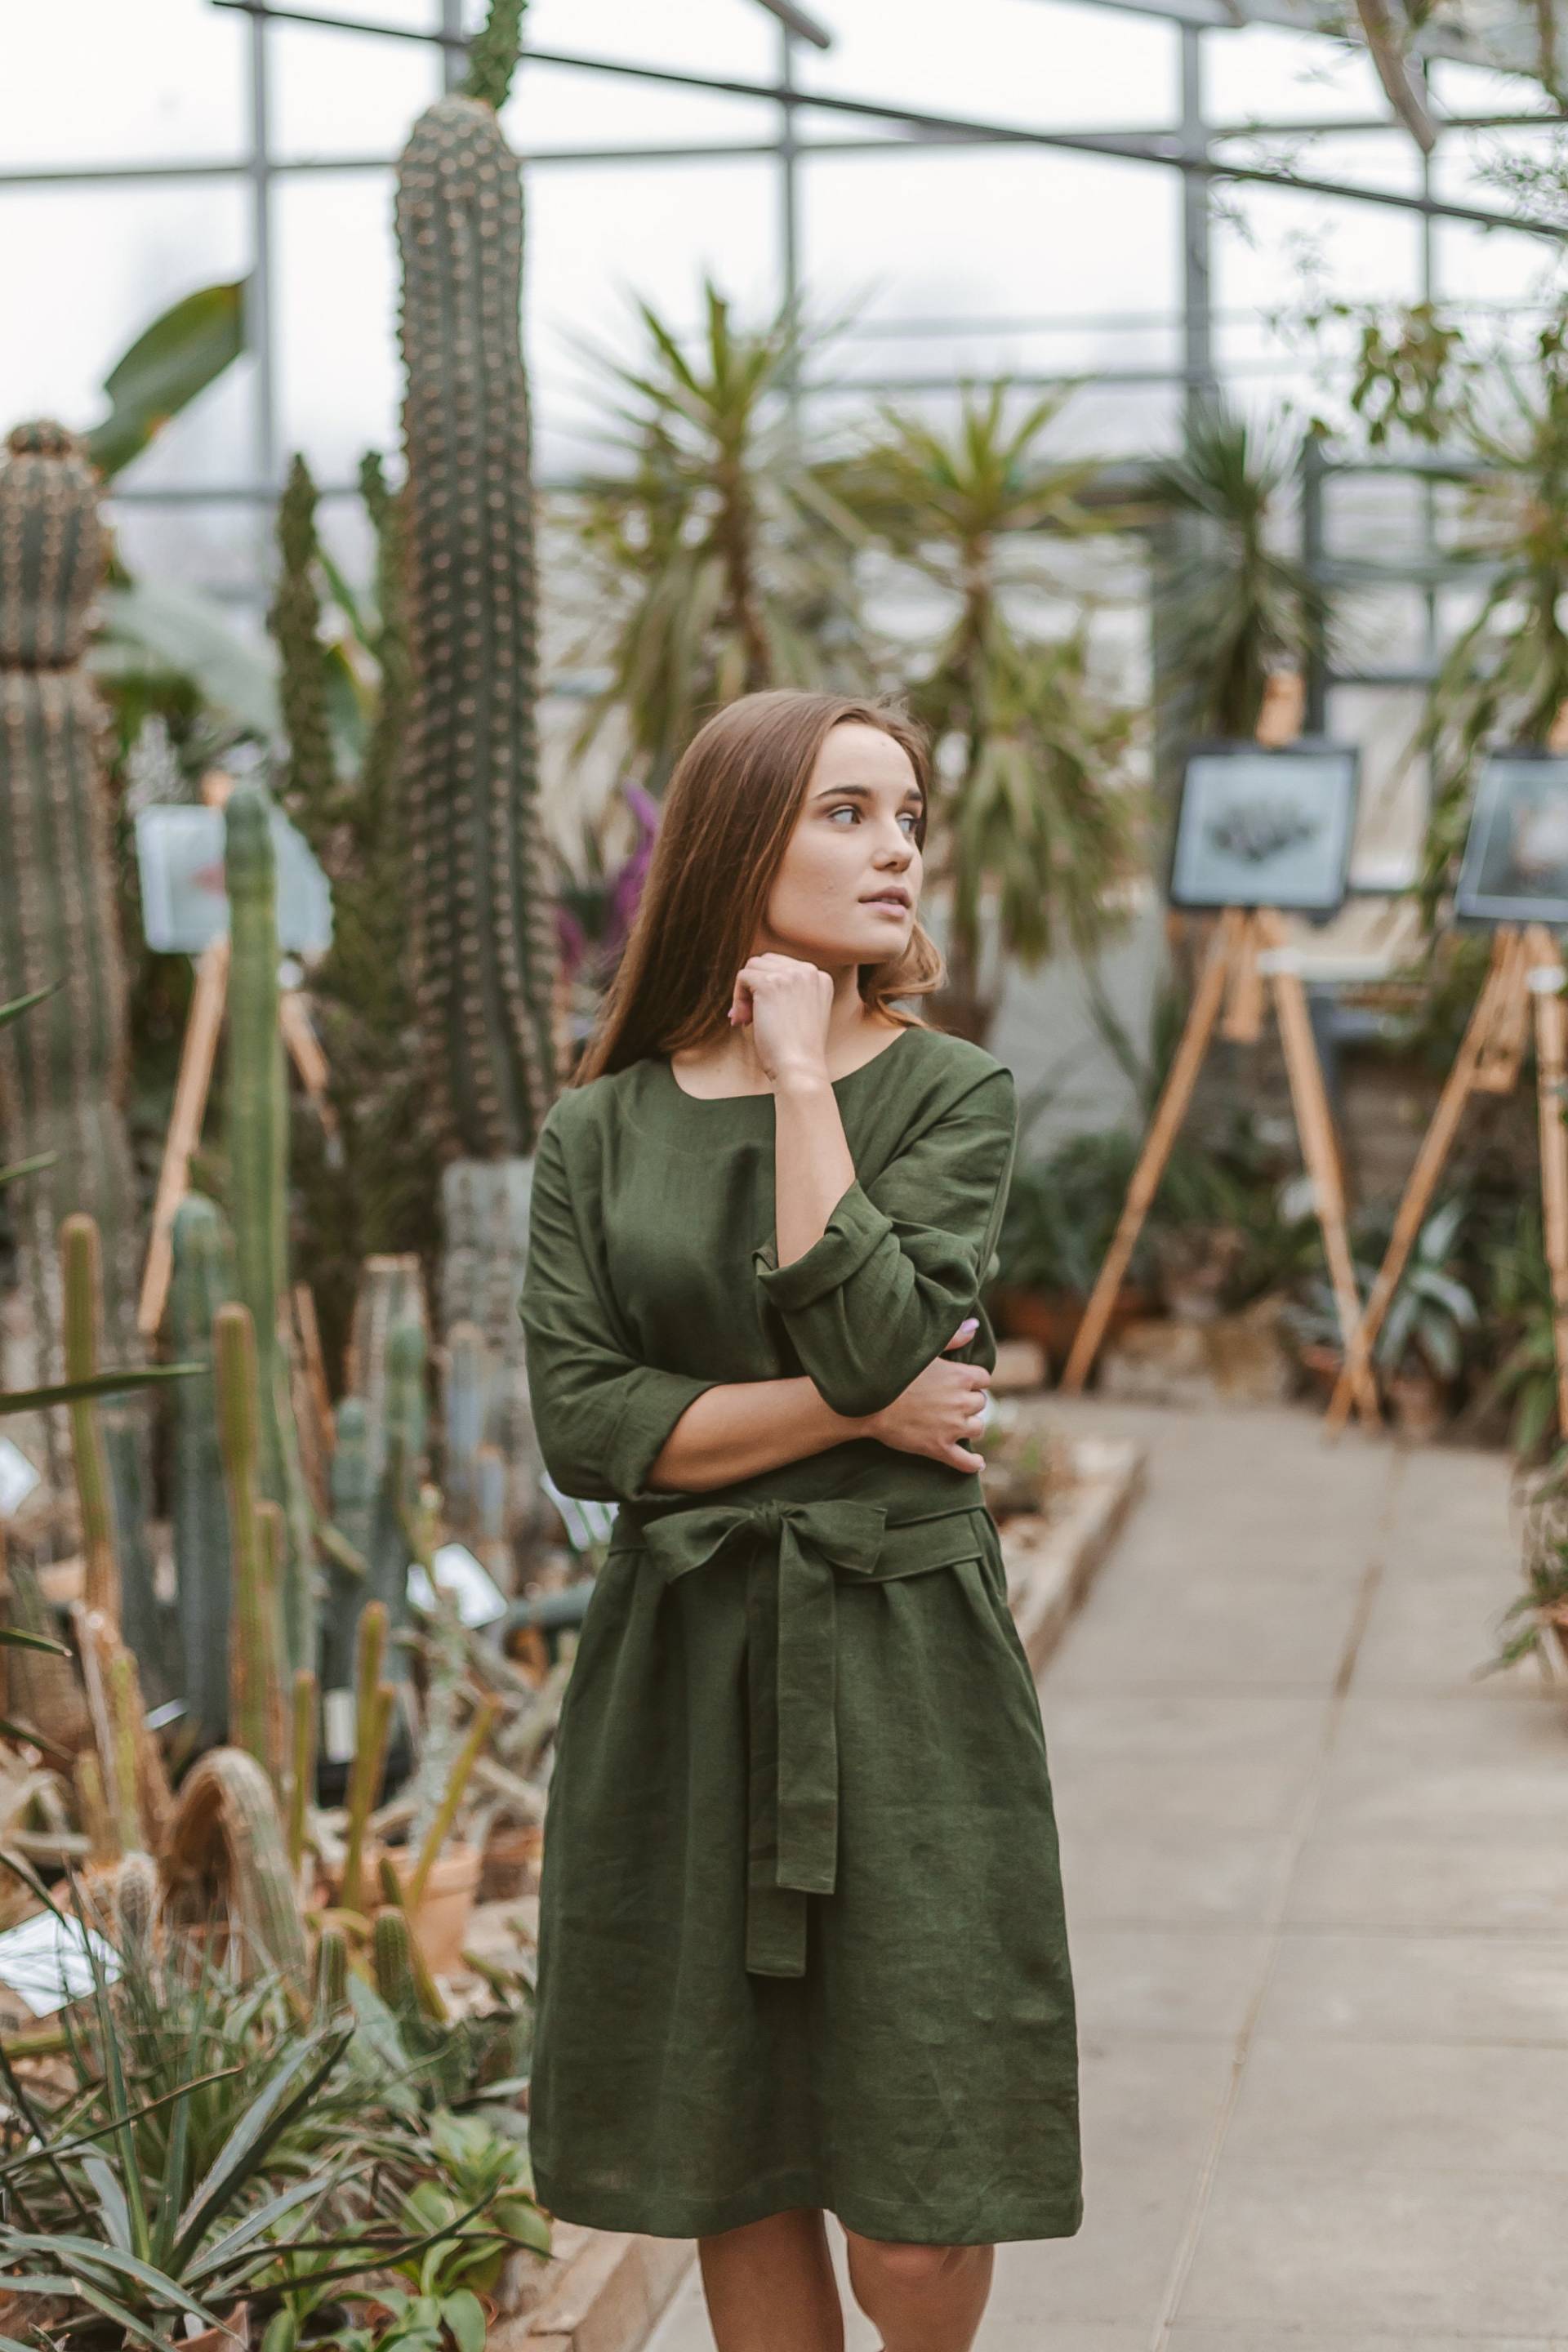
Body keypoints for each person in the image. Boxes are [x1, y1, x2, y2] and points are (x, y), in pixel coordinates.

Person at [518, 688, 1082, 2352]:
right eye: (847, 811)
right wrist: (866, 1411)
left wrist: (798, 1077)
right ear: (734, 837)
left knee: (920, 2201)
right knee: (738, 2154)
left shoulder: (949, 1094)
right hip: (682, 1672)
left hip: (902, 1665)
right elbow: (592, 1426)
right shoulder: (598, 1127)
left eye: (907, 813)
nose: (896, 845)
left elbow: (861, 1323)